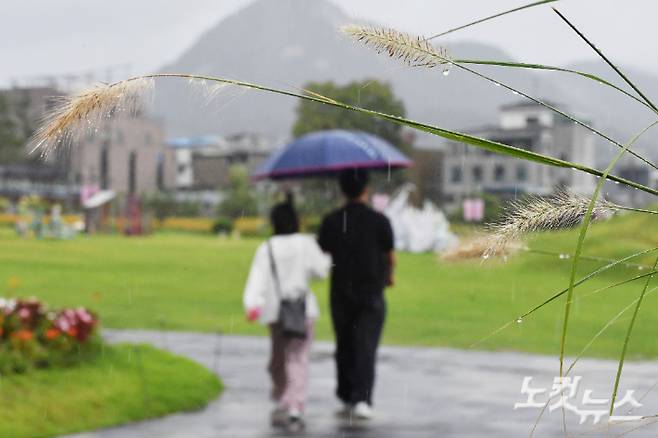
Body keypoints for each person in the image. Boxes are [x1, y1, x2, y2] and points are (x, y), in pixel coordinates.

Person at [243, 199, 330, 431]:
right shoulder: (306, 243)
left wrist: (252, 305)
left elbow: (257, 279)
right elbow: (321, 271)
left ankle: (283, 396)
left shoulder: (267, 247)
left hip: (275, 312)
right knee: (298, 358)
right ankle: (295, 405)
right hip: (302, 310)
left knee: (279, 358)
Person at [318, 169, 395, 420]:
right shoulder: (380, 221)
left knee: (344, 344)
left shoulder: (331, 220)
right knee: (366, 346)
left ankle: (346, 395)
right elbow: (390, 256)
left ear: (342, 190)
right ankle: (362, 398)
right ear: (366, 190)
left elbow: (324, 250)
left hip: (341, 292)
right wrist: (389, 276)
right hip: (371, 292)